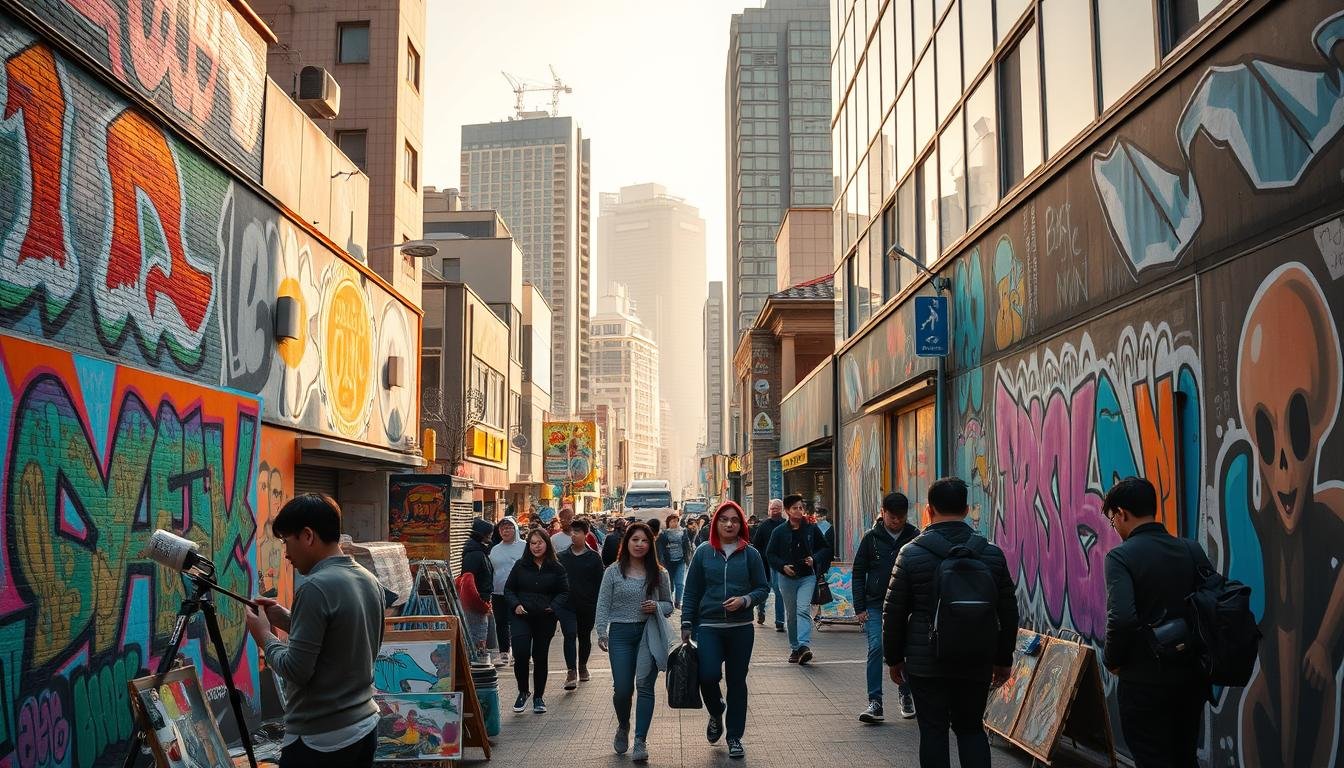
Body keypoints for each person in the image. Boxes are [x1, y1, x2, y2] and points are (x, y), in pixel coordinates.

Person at [245, 494, 388, 768]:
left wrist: (263, 635)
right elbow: (343, 637)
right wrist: (287, 617)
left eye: (287, 541)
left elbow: (297, 669)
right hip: (363, 726)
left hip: (321, 740)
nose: (286, 554)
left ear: (308, 536)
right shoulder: (368, 580)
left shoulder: (314, 587)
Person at [883, 477, 1017, 768]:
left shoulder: (911, 553)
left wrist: (894, 658)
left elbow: (893, 611)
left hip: (925, 661)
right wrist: (1003, 659)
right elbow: (1008, 611)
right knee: (970, 729)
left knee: (933, 731)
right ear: (967, 509)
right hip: (976, 660)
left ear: (929, 510)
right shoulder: (991, 554)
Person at [1103, 477, 1213, 767]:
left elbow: (1122, 618)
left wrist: (1111, 659)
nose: (1114, 527)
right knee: (1184, 757)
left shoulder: (1120, 557)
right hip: (1190, 679)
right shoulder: (1191, 550)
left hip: (1143, 682)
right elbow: (1212, 605)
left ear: (1121, 513)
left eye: (1112, 519)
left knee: (1152, 759)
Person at [680, 501, 770, 760]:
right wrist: (687, 622)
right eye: (724, 519)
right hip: (709, 626)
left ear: (741, 524)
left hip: (741, 628)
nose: (729, 524)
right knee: (707, 676)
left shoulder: (750, 554)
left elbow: (763, 588)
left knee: (737, 682)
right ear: (715, 523)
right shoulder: (703, 552)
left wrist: (745, 600)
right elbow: (692, 590)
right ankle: (716, 710)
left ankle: (734, 737)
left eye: (734, 520)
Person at [595, 522, 674, 763]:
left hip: (648, 634)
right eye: (635, 540)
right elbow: (603, 603)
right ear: (626, 542)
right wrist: (601, 632)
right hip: (620, 633)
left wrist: (657, 606)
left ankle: (640, 739)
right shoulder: (613, 571)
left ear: (651, 545)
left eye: (644, 541)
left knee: (645, 686)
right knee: (622, 690)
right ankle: (623, 725)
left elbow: (669, 605)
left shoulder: (659, 573)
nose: (639, 544)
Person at [853, 492, 920, 723]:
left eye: (901, 517)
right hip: (875, 605)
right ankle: (875, 702)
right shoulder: (871, 538)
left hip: (906, 606)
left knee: (907, 651)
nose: (897, 521)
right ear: (883, 513)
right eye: (892, 516)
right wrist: (859, 606)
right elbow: (859, 573)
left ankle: (905, 693)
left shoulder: (914, 537)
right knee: (876, 648)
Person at [504, 529, 569, 714]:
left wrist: (553, 606)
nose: (536, 546)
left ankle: (539, 696)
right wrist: (515, 604)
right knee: (521, 652)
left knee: (540, 656)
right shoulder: (520, 565)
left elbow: (564, 591)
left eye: (539, 542)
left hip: (545, 618)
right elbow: (509, 589)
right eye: (532, 543)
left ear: (547, 544)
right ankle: (523, 691)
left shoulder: (556, 567)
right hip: (521, 616)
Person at [766, 494, 832, 663]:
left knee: (803, 609)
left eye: (801, 508)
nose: (799, 511)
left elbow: (825, 548)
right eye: (795, 508)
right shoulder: (779, 531)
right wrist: (782, 567)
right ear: (787, 511)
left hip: (807, 577)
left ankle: (803, 645)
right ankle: (795, 648)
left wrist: (814, 559)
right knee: (792, 614)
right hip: (786, 578)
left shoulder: (810, 528)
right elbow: (770, 554)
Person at [558, 519, 604, 690]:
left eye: (578, 532)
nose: (574, 535)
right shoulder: (561, 557)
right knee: (569, 635)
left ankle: (582, 666)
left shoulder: (594, 558)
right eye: (572, 531)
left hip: (587, 605)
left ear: (586, 534)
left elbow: (600, 584)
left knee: (584, 637)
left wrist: (599, 605)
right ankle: (571, 671)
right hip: (566, 605)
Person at [488, 516, 525, 667]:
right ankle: (504, 652)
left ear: (515, 529)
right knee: (501, 623)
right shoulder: (495, 549)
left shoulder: (525, 546)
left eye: (509, 527)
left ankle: (520, 653)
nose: (506, 531)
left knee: (519, 623)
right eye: (502, 528)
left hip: (519, 592)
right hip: (498, 592)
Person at [459, 518, 496, 663]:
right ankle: (476, 667)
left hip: (480, 602)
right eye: (490, 534)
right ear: (484, 535)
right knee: (477, 636)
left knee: (480, 635)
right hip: (476, 605)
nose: (491, 537)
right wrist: (481, 604)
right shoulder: (475, 554)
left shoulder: (478, 551)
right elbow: (469, 584)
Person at [751, 499, 787, 630]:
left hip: (780, 565)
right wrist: (764, 556)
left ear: (782, 509)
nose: (775, 510)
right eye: (773, 508)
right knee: (764, 591)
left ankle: (779, 621)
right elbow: (756, 546)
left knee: (779, 591)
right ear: (769, 510)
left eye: (778, 508)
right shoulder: (764, 526)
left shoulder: (786, 525)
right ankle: (761, 609)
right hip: (765, 565)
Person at [656, 513, 695, 608]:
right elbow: (660, 548)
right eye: (672, 521)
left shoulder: (683, 531)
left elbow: (688, 544)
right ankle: (669, 601)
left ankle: (678, 602)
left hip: (680, 560)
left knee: (680, 583)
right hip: (668, 561)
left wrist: (688, 558)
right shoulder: (664, 533)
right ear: (668, 522)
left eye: (676, 521)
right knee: (669, 583)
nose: (674, 523)